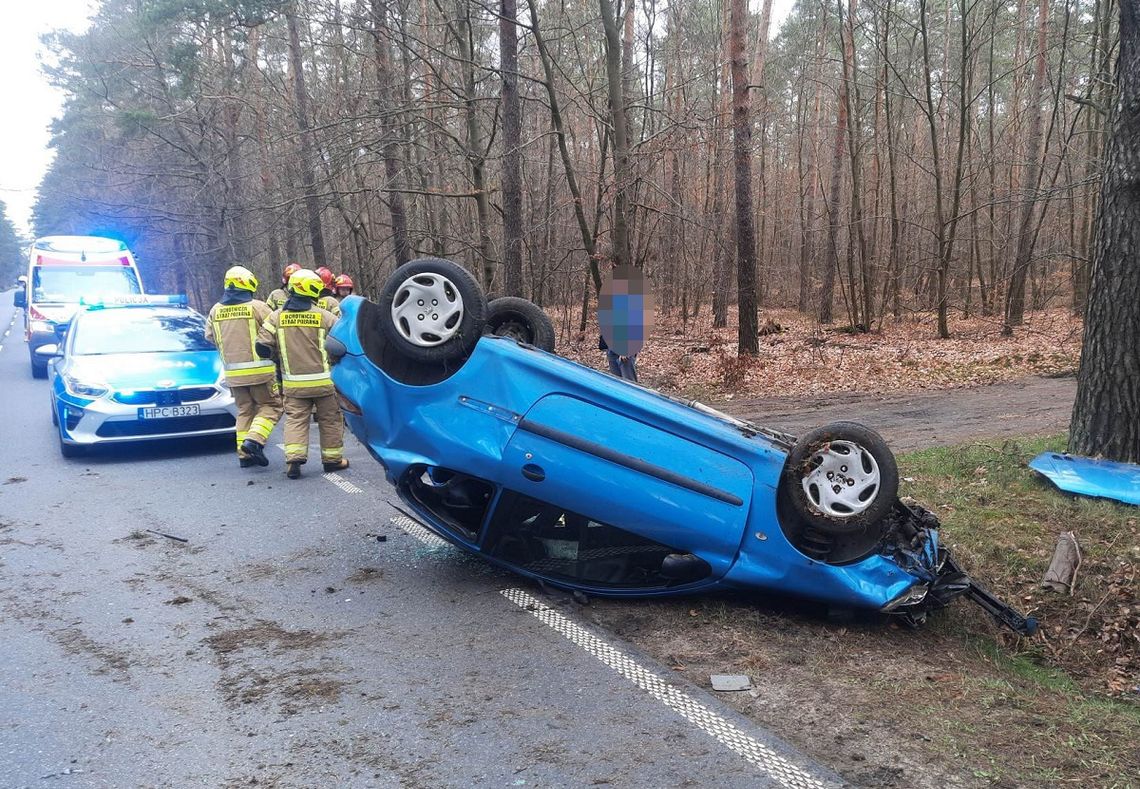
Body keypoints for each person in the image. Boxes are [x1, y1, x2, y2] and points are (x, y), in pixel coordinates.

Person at [256, 268, 347, 479]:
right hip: (325, 383)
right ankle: (332, 460)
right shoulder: (325, 317)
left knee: (296, 420)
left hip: (294, 385)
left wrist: (274, 355)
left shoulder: (276, 317)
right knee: (330, 420)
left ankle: (294, 460)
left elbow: (262, 345)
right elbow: (342, 344)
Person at [205, 266, 282, 468]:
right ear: (248, 283)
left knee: (245, 411)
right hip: (260, 372)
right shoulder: (258, 307)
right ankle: (254, 441)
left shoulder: (215, 310)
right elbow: (276, 331)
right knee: (271, 406)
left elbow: (209, 336)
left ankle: (244, 455)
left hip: (233, 375)